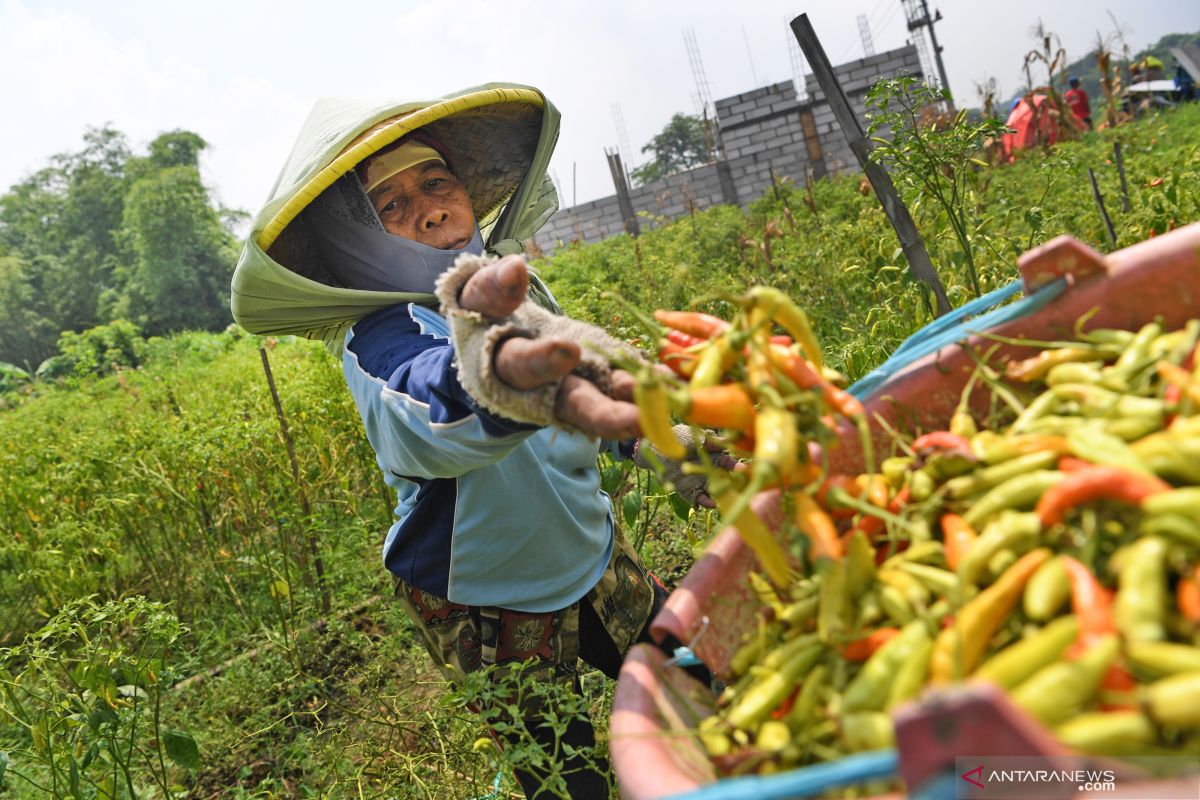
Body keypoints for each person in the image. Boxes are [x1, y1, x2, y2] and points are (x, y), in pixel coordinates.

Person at [231, 84, 719, 799]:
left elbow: (590, 389)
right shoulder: (383, 342)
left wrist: (669, 447)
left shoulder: (519, 292)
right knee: (567, 779)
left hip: (589, 549)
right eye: (391, 206)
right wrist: (501, 379)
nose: (430, 207)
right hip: (486, 600)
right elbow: (435, 416)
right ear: (353, 241)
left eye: (436, 182)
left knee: (700, 693)